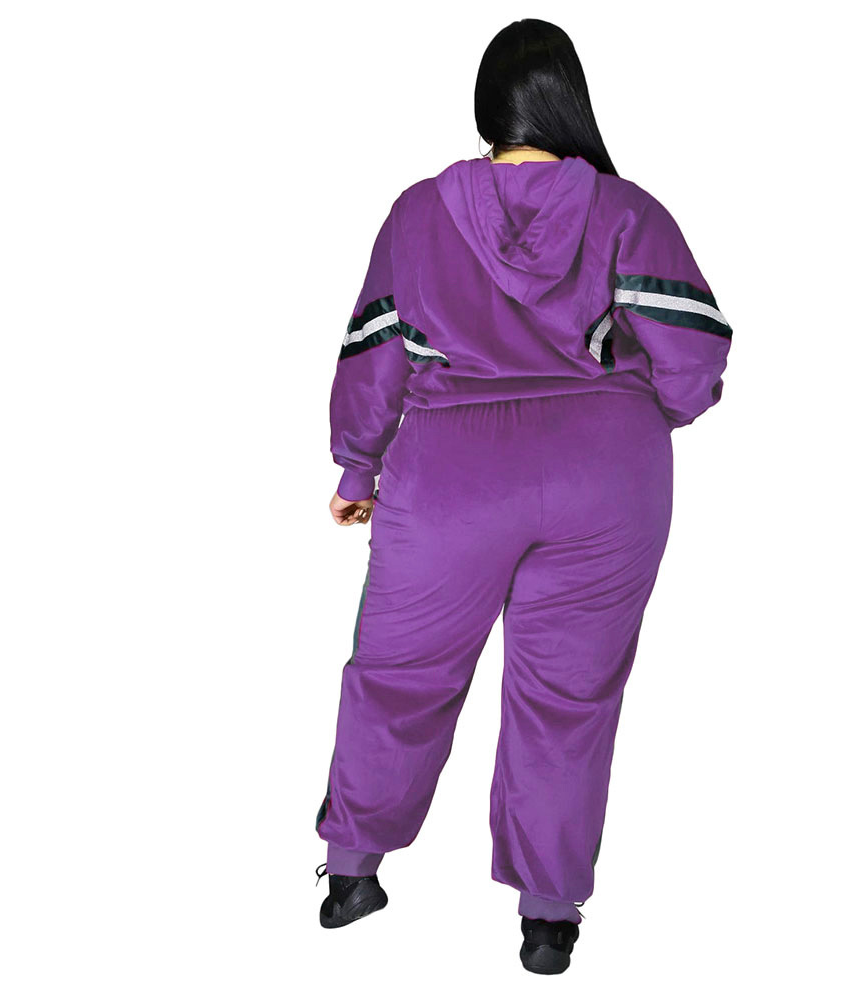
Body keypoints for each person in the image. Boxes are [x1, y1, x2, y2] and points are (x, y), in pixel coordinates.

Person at [313, 18, 733, 975]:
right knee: (569, 698)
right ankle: (548, 921)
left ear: (486, 108)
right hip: (606, 483)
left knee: (399, 672)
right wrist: (637, 415)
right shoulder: (628, 211)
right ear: (570, 102)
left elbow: (375, 349)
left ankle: (352, 872)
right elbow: (696, 355)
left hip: (449, 481)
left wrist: (355, 467)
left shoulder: (418, 213)